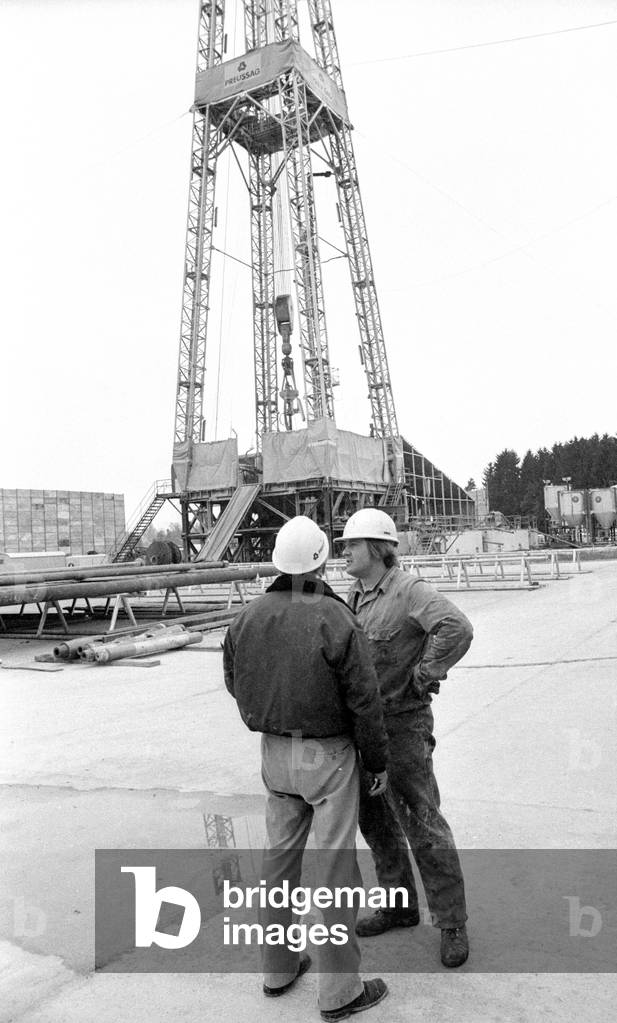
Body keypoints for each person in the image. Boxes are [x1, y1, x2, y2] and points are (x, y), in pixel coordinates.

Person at [223, 515, 390, 1021]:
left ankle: (278, 969)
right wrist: (376, 760)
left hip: (275, 754)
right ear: (320, 559)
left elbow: (234, 680)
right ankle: (339, 992)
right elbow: (365, 699)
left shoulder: (246, 617)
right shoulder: (336, 618)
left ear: (277, 561)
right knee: (335, 866)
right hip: (328, 757)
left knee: (278, 863)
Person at [337, 508, 473, 969]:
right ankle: (399, 906)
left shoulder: (408, 590)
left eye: (352, 544)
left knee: (422, 820)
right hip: (366, 731)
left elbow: (457, 627)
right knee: (376, 823)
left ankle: (451, 921)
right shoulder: (355, 593)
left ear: (376, 548)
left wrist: (424, 674)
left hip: (404, 726)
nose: (345, 551)